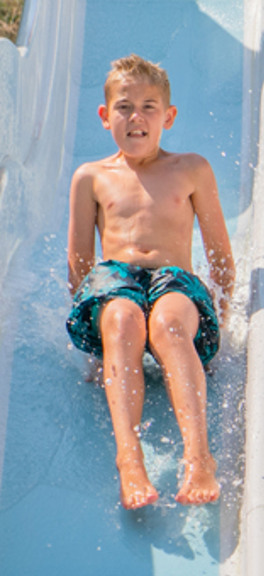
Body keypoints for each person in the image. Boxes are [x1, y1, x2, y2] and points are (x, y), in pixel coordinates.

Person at [66, 54, 235, 509]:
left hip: (173, 280)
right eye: (123, 106)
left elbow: (220, 256)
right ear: (105, 117)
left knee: (170, 325)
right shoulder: (91, 177)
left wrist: (224, 324)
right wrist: (93, 347)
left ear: (169, 116)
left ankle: (199, 456)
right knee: (121, 320)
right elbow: (80, 266)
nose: (135, 117)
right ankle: (130, 458)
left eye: (148, 106)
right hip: (114, 281)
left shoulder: (191, 168)